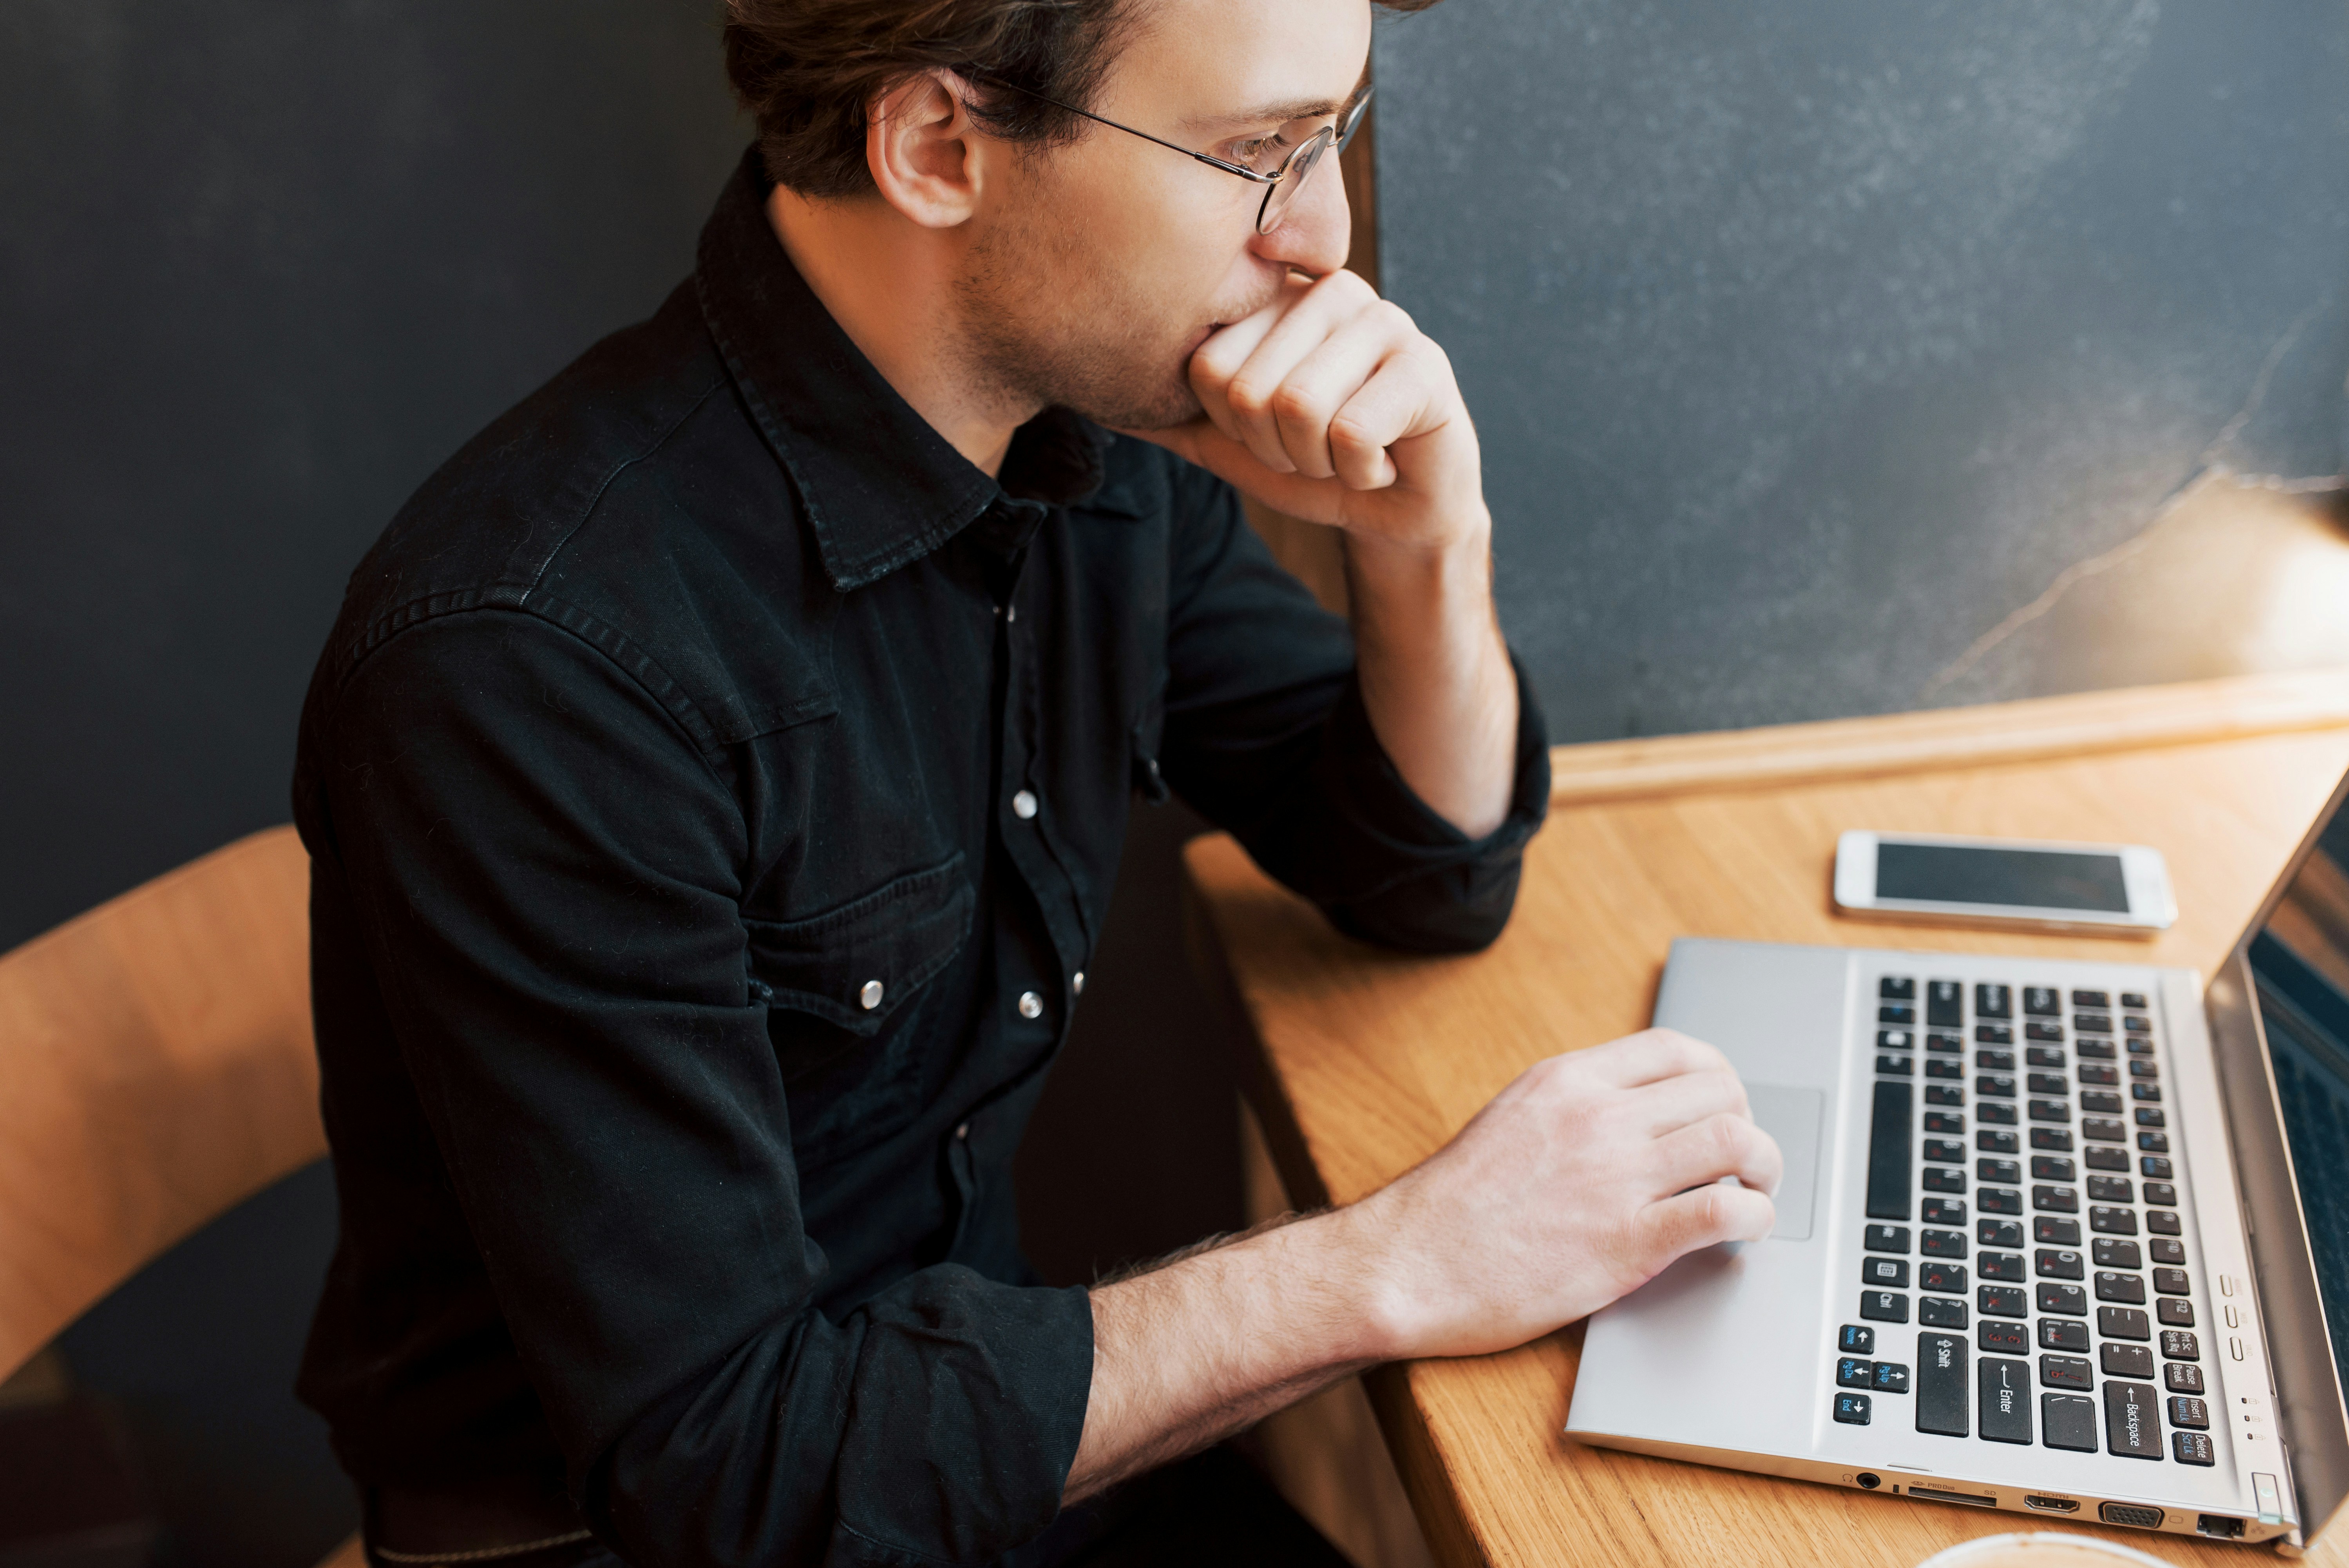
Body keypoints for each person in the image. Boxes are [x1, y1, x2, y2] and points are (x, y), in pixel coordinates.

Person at [290, 0, 1785, 1560]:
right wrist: (1396, 1262)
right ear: (939, 147)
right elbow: (734, 1467)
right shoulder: (533, 661)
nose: (1325, 239)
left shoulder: (1091, 437)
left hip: (980, 1458)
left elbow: (1420, 870)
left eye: (1330, 134)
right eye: (1254, 153)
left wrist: (1422, 543)